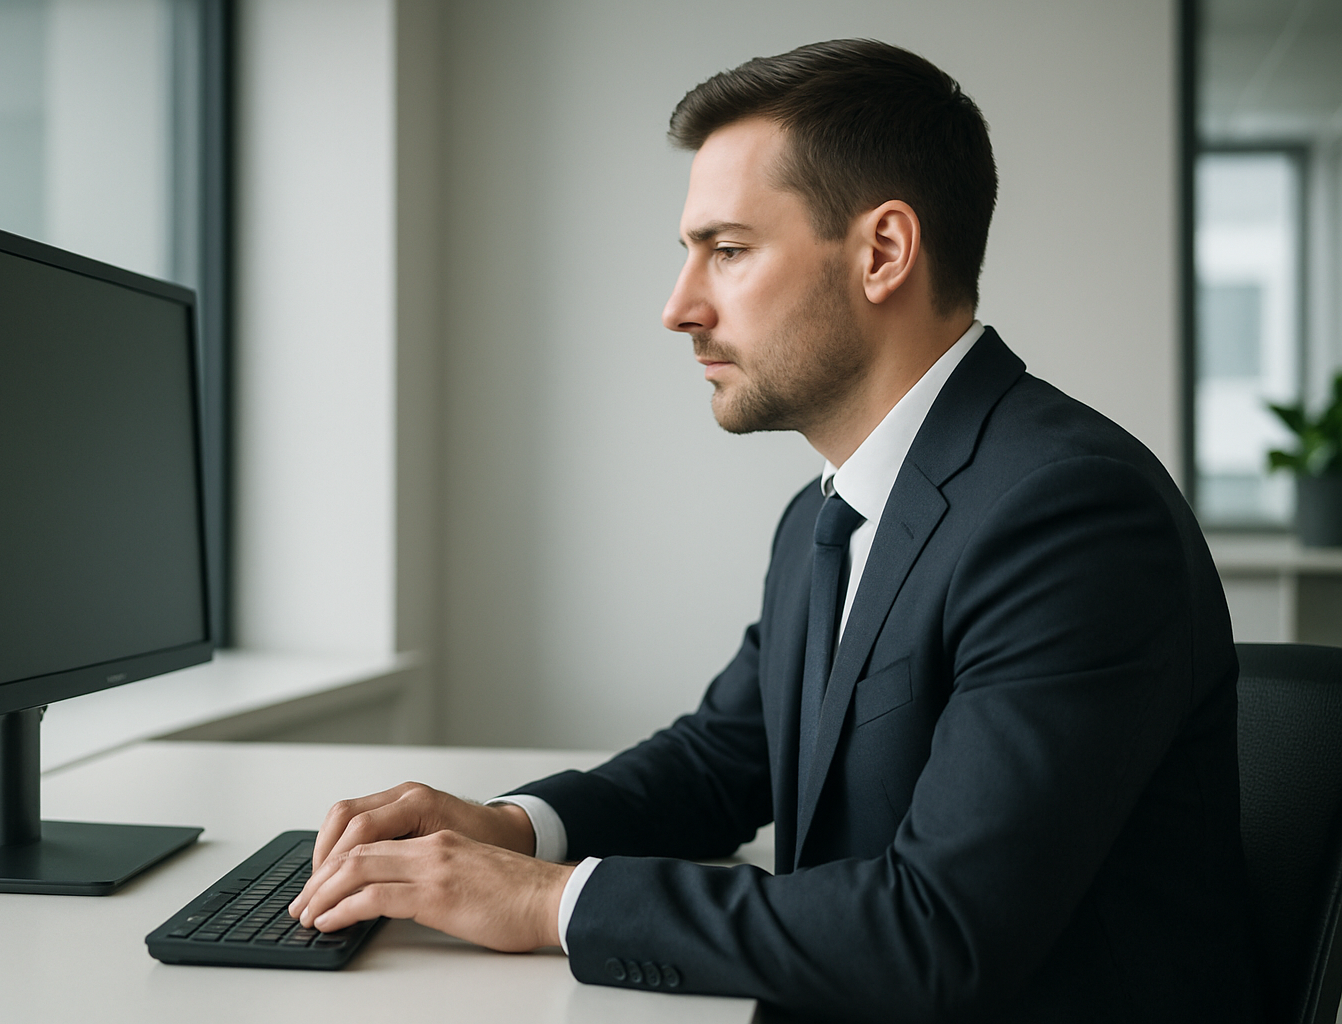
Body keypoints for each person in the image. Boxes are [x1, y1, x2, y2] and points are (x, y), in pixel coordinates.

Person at [287, 39, 1260, 1021]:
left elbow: (938, 931)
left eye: (729, 249)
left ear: (881, 252)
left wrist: (549, 902)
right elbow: (720, 761)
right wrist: (512, 829)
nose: (679, 308)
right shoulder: (825, 517)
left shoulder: (1069, 514)